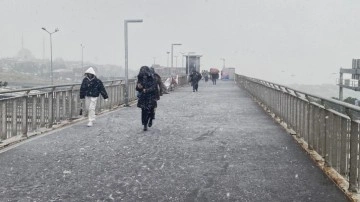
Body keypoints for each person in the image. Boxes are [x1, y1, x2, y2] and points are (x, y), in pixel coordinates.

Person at [136, 66, 158, 131]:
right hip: (143, 97)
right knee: (144, 110)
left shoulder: (152, 77)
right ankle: (145, 124)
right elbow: (137, 88)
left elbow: (154, 87)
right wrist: (138, 87)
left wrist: (147, 90)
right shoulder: (140, 78)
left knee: (150, 110)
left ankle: (150, 119)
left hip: (151, 97)